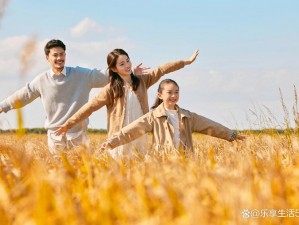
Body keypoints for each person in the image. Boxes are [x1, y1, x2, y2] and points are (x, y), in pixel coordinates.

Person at [0, 39, 146, 153]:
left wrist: (130, 72)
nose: (59, 58)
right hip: (55, 136)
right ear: (47, 58)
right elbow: (24, 94)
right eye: (55, 55)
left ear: (65, 55)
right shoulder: (41, 80)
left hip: (78, 136)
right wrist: (2, 106)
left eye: (62, 54)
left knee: (82, 175)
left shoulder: (81, 75)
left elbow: (107, 75)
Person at [54, 49, 199, 159]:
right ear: (114, 69)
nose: (127, 65)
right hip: (119, 138)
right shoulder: (111, 89)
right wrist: (69, 124)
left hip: (139, 135)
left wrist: (186, 62)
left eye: (128, 61)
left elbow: (161, 69)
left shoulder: (142, 81)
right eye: (122, 64)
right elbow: (91, 107)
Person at [100, 79, 246, 156]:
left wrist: (232, 135)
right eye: (169, 92)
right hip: (161, 164)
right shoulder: (153, 117)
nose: (174, 96)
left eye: (176, 92)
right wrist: (111, 143)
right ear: (160, 95)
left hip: (185, 163)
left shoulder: (188, 117)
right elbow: (131, 130)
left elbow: (211, 126)